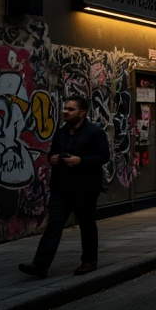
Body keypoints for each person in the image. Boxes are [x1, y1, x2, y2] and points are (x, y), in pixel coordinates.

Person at [18, 95, 110, 278]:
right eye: (65, 108)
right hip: (61, 188)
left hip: (85, 189)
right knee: (54, 225)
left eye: (70, 109)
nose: (65, 112)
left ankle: (89, 261)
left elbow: (104, 156)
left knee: (86, 224)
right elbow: (53, 153)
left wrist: (81, 160)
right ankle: (40, 265)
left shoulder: (95, 132)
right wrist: (52, 159)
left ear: (82, 112)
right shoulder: (61, 132)